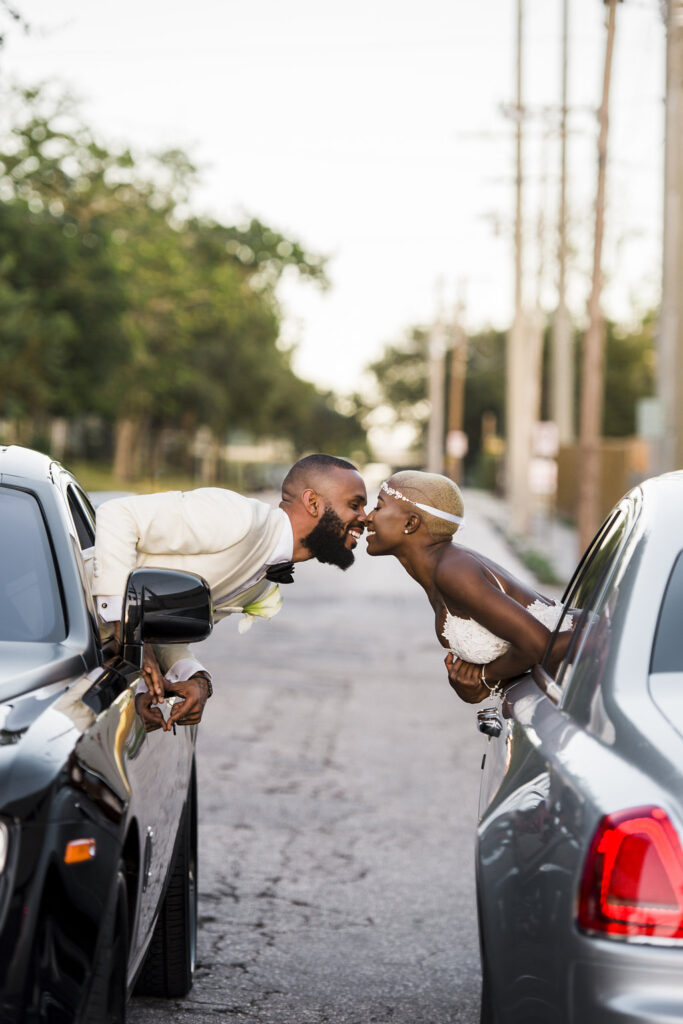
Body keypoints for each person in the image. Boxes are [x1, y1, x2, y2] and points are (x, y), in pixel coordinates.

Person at [93, 454, 367, 731]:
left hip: (98, 661)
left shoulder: (262, 582)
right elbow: (118, 514)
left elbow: (163, 627)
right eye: (355, 505)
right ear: (313, 503)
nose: (365, 519)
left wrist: (195, 678)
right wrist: (123, 627)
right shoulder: (238, 517)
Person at [364, 470, 573, 703]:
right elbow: (525, 656)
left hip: (584, 672)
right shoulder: (443, 567)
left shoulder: (453, 571)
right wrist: (477, 685)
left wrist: (486, 677)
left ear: (411, 523)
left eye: (378, 507)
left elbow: (538, 646)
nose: (367, 517)